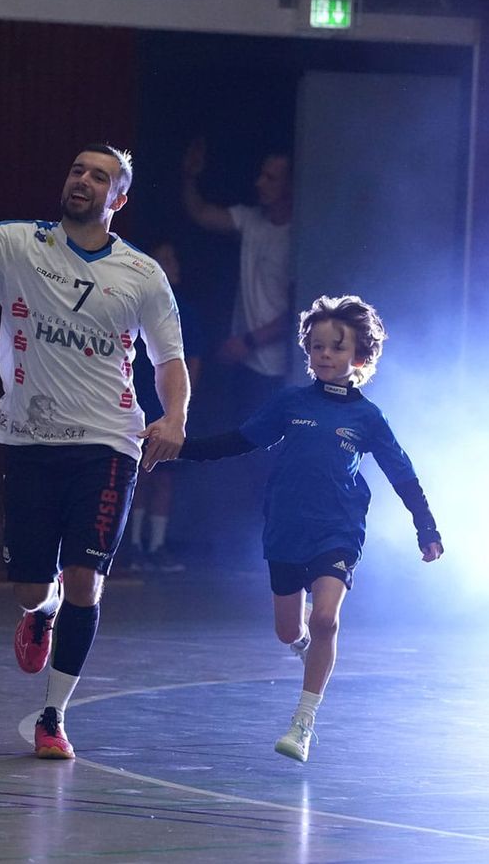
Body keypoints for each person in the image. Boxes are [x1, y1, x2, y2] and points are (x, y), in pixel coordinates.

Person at [0, 122, 189, 759]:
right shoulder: (19, 245)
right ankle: (41, 610)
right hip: (31, 438)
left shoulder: (142, 275)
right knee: (34, 586)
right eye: (77, 170)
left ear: (118, 199)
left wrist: (173, 419)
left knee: (87, 576)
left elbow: (170, 360)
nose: (82, 180)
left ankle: (53, 717)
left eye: (99, 176)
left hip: (111, 441)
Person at [172, 295, 444, 764]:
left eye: (336, 348)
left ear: (359, 357)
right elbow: (239, 441)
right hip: (285, 529)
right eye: (317, 347)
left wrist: (426, 528)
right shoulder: (291, 403)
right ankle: (304, 649)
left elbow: (402, 473)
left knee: (325, 619)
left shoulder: (367, 418)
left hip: (338, 530)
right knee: (288, 631)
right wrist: (179, 449)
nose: (325, 355)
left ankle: (303, 722)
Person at [180, 137, 294, 415]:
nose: (259, 183)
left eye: (271, 178)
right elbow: (200, 212)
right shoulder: (251, 219)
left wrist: (249, 341)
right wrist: (189, 175)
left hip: (273, 367)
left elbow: (298, 310)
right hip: (242, 360)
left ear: (290, 185)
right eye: (261, 175)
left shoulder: (297, 236)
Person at [123, 241, 204, 572]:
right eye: (163, 258)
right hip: (134, 403)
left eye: (173, 258)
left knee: (164, 477)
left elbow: (191, 362)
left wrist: (177, 411)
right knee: (140, 474)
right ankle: (133, 546)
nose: (170, 264)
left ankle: (156, 548)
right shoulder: (134, 301)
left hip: (167, 410)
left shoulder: (187, 311)